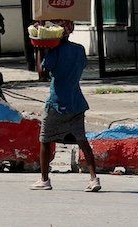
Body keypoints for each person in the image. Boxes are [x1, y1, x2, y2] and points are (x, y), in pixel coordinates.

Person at [33, 19, 101, 192]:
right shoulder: (79, 49)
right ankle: (94, 178)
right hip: (76, 102)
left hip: (56, 103)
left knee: (45, 140)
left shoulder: (55, 52)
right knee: (82, 141)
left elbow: (42, 72)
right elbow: (81, 66)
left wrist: (40, 49)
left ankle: (44, 180)